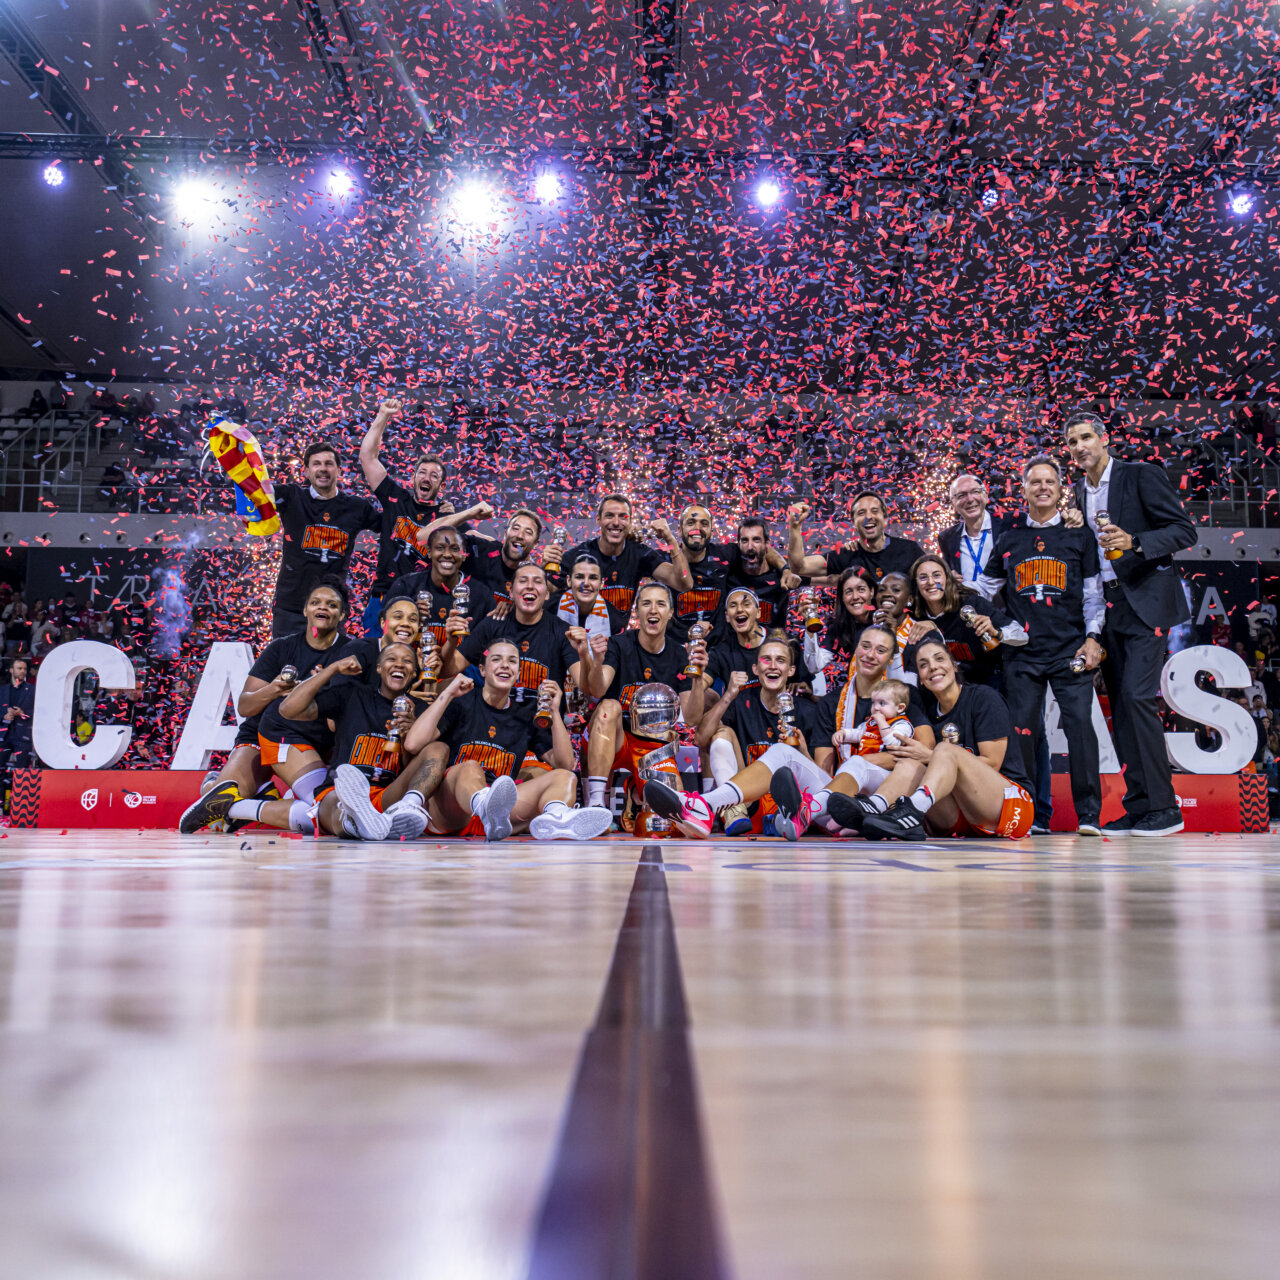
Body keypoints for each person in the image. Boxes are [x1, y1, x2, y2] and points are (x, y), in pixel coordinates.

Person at [1065, 410, 1198, 835]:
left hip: (1145, 602)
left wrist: (1135, 541)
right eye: (1072, 442)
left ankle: (1166, 807)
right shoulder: (1077, 493)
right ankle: (1140, 806)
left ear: (1104, 439)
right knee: (1122, 708)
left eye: (1086, 437)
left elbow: (1184, 531)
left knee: (1138, 698)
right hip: (1106, 608)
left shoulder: (1140, 474)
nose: (1080, 447)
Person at [183, 644, 442, 840]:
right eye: (392, 659)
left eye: (407, 661)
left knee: (316, 813)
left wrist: (409, 734)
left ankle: (367, 822)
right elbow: (288, 709)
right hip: (340, 790)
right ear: (378, 668)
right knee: (333, 805)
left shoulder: (419, 711)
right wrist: (332, 669)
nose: (399, 664)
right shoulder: (352, 695)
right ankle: (358, 822)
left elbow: (411, 763)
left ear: (415, 671)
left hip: (387, 790)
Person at [976, 455, 1104, 836]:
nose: (1043, 487)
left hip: (1070, 651)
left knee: (1081, 730)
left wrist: (1093, 638)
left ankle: (1089, 816)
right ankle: (1030, 813)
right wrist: (999, 624)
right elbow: (983, 592)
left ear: (1061, 488)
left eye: (1050, 481)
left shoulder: (1080, 536)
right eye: (1036, 482)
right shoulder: (1009, 538)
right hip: (1022, 654)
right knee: (1023, 734)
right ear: (1024, 489)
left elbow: (1093, 596)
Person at [179, 577, 351, 828]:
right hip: (263, 734)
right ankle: (216, 786)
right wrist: (273, 689)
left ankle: (247, 799)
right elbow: (245, 707)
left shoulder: (350, 653)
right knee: (218, 818)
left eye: (332, 604)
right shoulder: (281, 648)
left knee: (323, 810)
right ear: (305, 610)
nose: (322, 607)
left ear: (342, 615)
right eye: (315, 602)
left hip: (315, 741)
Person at [401, 641, 614, 841]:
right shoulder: (461, 702)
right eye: (496, 659)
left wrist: (555, 712)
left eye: (512, 661)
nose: (505, 665)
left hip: (499, 820)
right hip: (453, 810)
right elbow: (412, 744)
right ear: (482, 670)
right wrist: (447, 694)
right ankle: (486, 807)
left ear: (518, 673)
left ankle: (556, 817)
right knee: (470, 768)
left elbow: (565, 765)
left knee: (564, 778)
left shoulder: (525, 716)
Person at [850, 636, 1036, 841]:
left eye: (939, 659)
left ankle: (911, 810)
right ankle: (872, 811)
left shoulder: (983, 697)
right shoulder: (927, 714)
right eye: (924, 665)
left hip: (1010, 808)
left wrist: (931, 756)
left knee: (945, 750)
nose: (932, 667)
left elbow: (993, 763)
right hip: (961, 816)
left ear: (954, 666)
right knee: (910, 764)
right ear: (921, 679)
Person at [650, 633, 826, 839]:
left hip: (793, 810)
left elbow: (822, 780)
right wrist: (728, 695)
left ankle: (704, 806)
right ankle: (733, 810)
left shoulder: (808, 711)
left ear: (791, 670)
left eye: (780, 660)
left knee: (784, 753)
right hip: (750, 804)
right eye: (766, 660)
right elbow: (700, 738)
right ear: (755, 669)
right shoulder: (742, 702)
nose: (772, 666)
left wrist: (803, 752)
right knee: (722, 733)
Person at [582, 580, 707, 813]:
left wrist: (698, 677)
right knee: (609, 706)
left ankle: (635, 788)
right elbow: (598, 690)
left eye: (660, 604)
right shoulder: (619, 644)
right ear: (637, 611)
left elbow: (691, 718)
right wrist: (597, 662)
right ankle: (597, 803)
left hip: (654, 746)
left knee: (674, 815)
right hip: (614, 739)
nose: (653, 610)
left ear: (670, 613)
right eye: (646, 603)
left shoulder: (679, 654)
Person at [358, 396, 452, 635]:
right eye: (422, 473)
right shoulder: (396, 499)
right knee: (375, 651)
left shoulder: (445, 518)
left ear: (441, 486)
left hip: (421, 602)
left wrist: (466, 515)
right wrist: (383, 415)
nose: (426, 478)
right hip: (383, 595)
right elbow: (367, 457)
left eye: (434, 476)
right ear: (413, 478)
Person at [269, 441, 380, 638]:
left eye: (328, 463)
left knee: (331, 659)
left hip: (331, 609)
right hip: (290, 609)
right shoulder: (291, 496)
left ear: (339, 470)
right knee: (284, 659)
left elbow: (389, 526)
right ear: (306, 471)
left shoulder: (356, 507)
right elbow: (254, 491)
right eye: (316, 463)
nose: (323, 469)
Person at [557, 493, 693, 615]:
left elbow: (684, 583)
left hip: (620, 636)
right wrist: (547, 564)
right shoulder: (578, 556)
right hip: (582, 634)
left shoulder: (639, 554)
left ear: (630, 522)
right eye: (609, 515)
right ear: (598, 519)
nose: (616, 522)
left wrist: (671, 540)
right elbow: (548, 592)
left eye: (623, 517)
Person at [904, 554, 1025, 689]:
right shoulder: (914, 616)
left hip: (983, 684)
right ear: (916, 584)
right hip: (941, 688)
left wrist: (996, 633)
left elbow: (1022, 635)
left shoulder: (971, 604)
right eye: (923, 577)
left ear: (947, 578)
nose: (931, 582)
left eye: (937, 575)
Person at [388, 525, 496, 645]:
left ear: (464, 555)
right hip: (412, 655)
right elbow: (387, 634)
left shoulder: (482, 596)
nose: (447, 554)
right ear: (429, 552)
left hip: (461, 657)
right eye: (440, 548)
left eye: (455, 549)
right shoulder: (405, 586)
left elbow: (490, 644)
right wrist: (409, 617)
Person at [787, 491, 924, 584]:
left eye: (874, 511)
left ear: (885, 519)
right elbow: (799, 567)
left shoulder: (909, 550)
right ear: (853, 523)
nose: (868, 517)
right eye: (861, 513)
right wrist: (795, 527)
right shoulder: (846, 555)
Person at [938, 473, 1014, 585]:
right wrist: (948, 578)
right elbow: (946, 575)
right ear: (953, 504)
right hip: (966, 596)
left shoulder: (1010, 526)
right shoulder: (947, 538)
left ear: (986, 496)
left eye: (975, 492)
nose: (970, 499)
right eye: (961, 495)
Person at [725, 516, 801, 628]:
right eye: (745, 540)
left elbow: (825, 577)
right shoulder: (727, 574)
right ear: (738, 544)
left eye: (756, 540)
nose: (750, 547)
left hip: (773, 638)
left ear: (767, 544)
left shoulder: (782, 577)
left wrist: (786, 570)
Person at [554, 554, 628, 636]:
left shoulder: (615, 621)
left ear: (601, 583)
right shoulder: (550, 608)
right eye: (579, 577)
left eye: (593, 578)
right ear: (569, 581)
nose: (586, 583)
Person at [0, 658, 35, 791]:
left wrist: (22, 713)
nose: (23, 671)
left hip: (23, 736)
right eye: (19, 668)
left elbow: (39, 711)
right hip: (4, 735)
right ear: (11, 670)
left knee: (22, 773)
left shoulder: (32, 690)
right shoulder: (2, 690)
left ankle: (19, 801)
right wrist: (4, 716)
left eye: (25, 669)